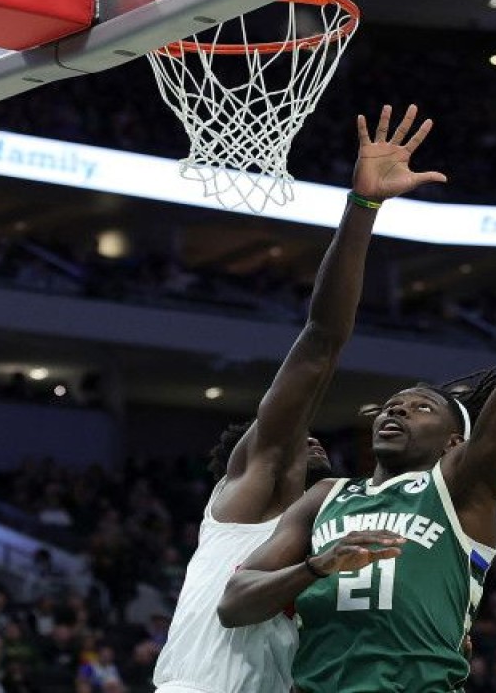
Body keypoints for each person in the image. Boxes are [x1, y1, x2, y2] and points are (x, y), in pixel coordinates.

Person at [218, 185, 496, 691]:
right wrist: (316, 566)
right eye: (394, 404)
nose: (399, 408)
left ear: (453, 443)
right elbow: (234, 602)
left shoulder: (460, 488)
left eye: (423, 407)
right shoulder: (325, 496)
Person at [152, 104, 447, 693]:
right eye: (292, 439)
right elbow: (320, 343)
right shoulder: (252, 491)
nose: (311, 441)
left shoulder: (320, 526)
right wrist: (363, 209)